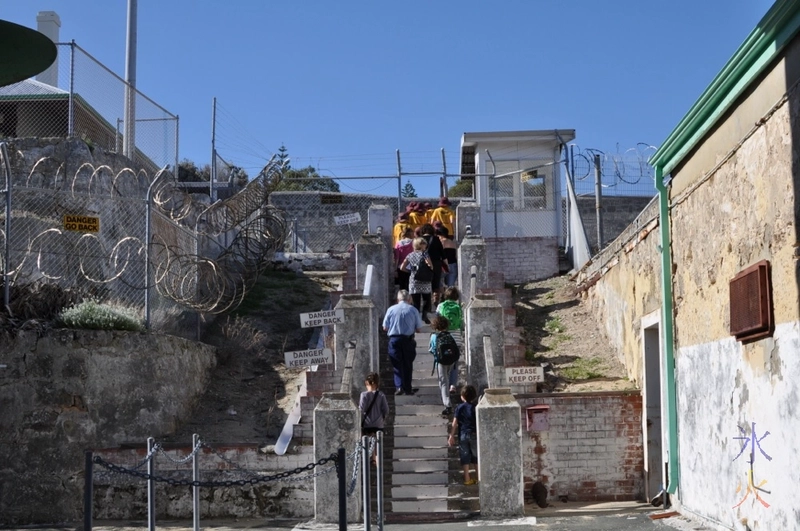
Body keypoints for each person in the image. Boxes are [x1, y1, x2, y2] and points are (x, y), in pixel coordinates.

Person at [382, 289, 423, 395]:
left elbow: (385, 327)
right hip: (408, 340)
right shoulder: (413, 310)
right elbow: (419, 329)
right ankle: (407, 388)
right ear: (409, 299)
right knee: (407, 364)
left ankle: (399, 387)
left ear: (397, 299)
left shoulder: (391, 309)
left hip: (394, 339)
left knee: (397, 364)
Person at [448, 384, 479, 485]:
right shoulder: (476, 407)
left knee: (464, 456)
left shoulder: (459, 407)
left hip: (463, 435)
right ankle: (479, 477)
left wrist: (451, 435)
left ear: (462, 396)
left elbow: (454, 423)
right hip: (474, 434)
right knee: (476, 456)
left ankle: (467, 478)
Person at [399, 237, 434, 323]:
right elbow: (431, 266)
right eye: (425, 244)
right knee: (426, 299)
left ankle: (415, 318)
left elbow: (402, 267)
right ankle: (424, 315)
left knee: (415, 302)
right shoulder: (425, 254)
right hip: (425, 280)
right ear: (421, 245)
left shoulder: (410, 255)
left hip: (414, 280)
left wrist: (411, 271)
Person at [429, 315, 457, 417]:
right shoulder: (450, 335)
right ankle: (448, 397)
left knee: (443, 382)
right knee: (447, 379)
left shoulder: (434, 336)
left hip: (441, 361)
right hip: (451, 361)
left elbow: (431, 349)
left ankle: (447, 405)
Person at [436, 286, 463, 394]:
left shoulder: (440, 306)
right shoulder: (458, 307)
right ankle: (452, 385)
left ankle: (444, 384)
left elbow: (437, 321)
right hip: (456, 340)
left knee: (443, 361)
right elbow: (461, 323)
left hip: (444, 339)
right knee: (455, 363)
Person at [359, 372, 389, 464]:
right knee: (377, 443)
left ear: (366, 383)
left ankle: (365, 457)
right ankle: (375, 460)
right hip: (378, 424)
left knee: (365, 440)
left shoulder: (364, 395)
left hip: (367, 424)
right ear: (377, 384)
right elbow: (386, 410)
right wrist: (382, 418)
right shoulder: (381, 395)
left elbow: (361, 409)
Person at [419, 223, 445, 306]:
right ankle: (435, 299)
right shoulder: (436, 239)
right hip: (436, 263)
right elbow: (442, 253)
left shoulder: (419, 240)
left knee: (424, 282)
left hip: (424, 263)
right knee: (436, 282)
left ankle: (426, 302)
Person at [394, 227, 415, 291]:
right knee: (410, 284)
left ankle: (402, 298)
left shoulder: (398, 243)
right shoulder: (413, 243)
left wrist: (395, 269)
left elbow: (397, 258)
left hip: (401, 267)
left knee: (402, 285)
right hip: (411, 267)